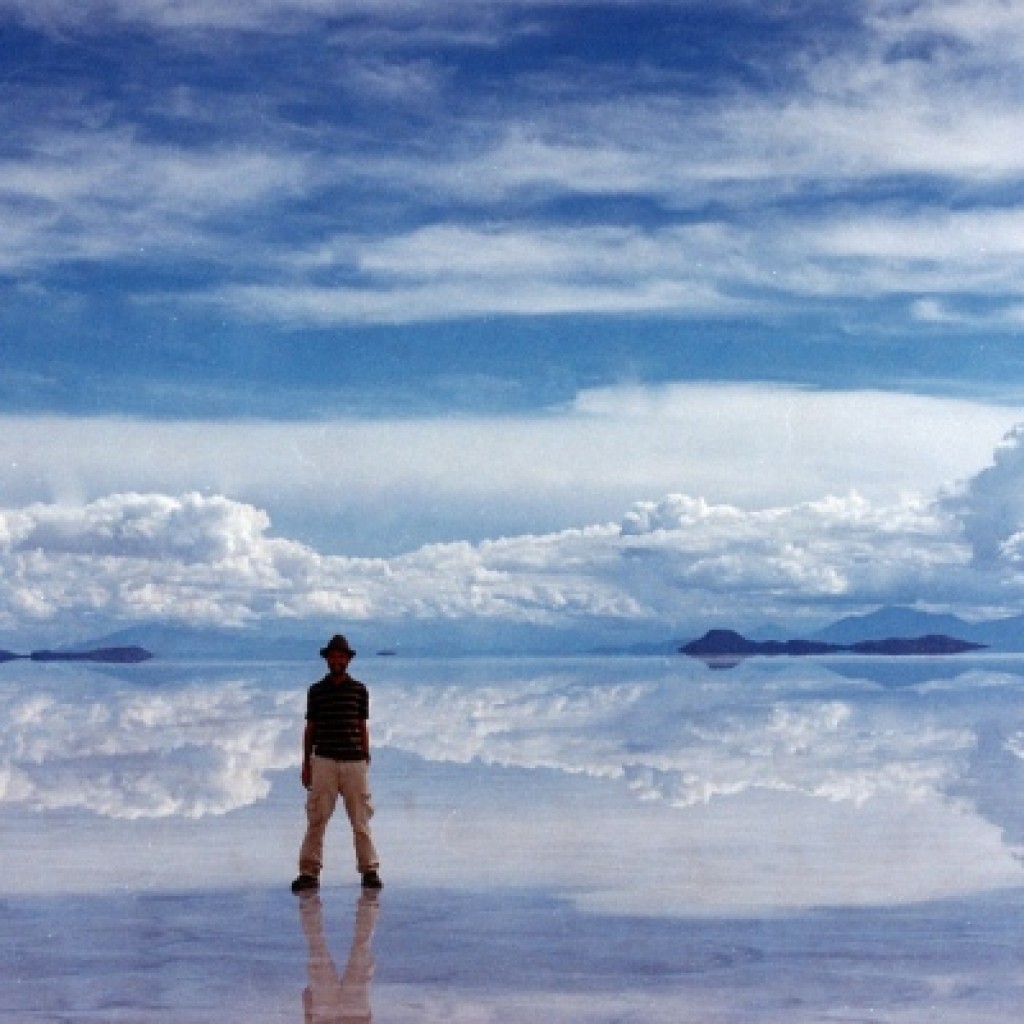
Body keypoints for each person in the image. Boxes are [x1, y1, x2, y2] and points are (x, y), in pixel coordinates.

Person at [292, 634, 383, 892]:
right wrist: (306, 763)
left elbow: (361, 726)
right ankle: (309, 873)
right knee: (316, 819)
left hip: (354, 763)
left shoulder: (359, 690)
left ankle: (370, 871)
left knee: (361, 820)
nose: (337, 660)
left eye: (341, 656)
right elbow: (310, 728)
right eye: (333, 656)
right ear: (327, 659)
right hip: (323, 762)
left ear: (348, 660)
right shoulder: (316, 691)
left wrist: (366, 756)